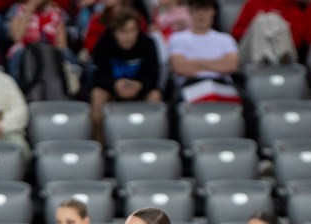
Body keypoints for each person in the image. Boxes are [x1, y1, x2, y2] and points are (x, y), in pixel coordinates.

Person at [89, 8, 162, 142]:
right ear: (114, 31)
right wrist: (115, 84)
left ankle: (152, 141)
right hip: (113, 89)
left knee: (155, 96)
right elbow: (98, 76)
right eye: (123, 31)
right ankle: (100, 142)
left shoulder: (147, 43)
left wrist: (140, 85)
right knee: (97, 95)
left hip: (140, 88)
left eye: (132, 30)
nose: (128, 36)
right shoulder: (104, 43)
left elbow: (153, 75)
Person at [167, 0, 238, 100]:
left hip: (221, 83)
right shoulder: (177, 38)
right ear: (190, 12)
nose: (201, 14)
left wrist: (195, 63)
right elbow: (179, 67)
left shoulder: (226, 39)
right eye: (197, 9)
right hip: (190, 84)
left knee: (245, 105)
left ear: (213, 12)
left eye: (206, 9)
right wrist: (218, 63)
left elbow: (231, 65)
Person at [230, 0, 301, 64]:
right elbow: (235, 33)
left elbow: (298, 41)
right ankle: (264, 58)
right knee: (261, 21)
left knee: (274, 19)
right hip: (251, 53)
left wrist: (276, 29)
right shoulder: (252, 3)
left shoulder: (292, 7)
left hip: (284, 51)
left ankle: (277, 56)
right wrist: (258, 29)